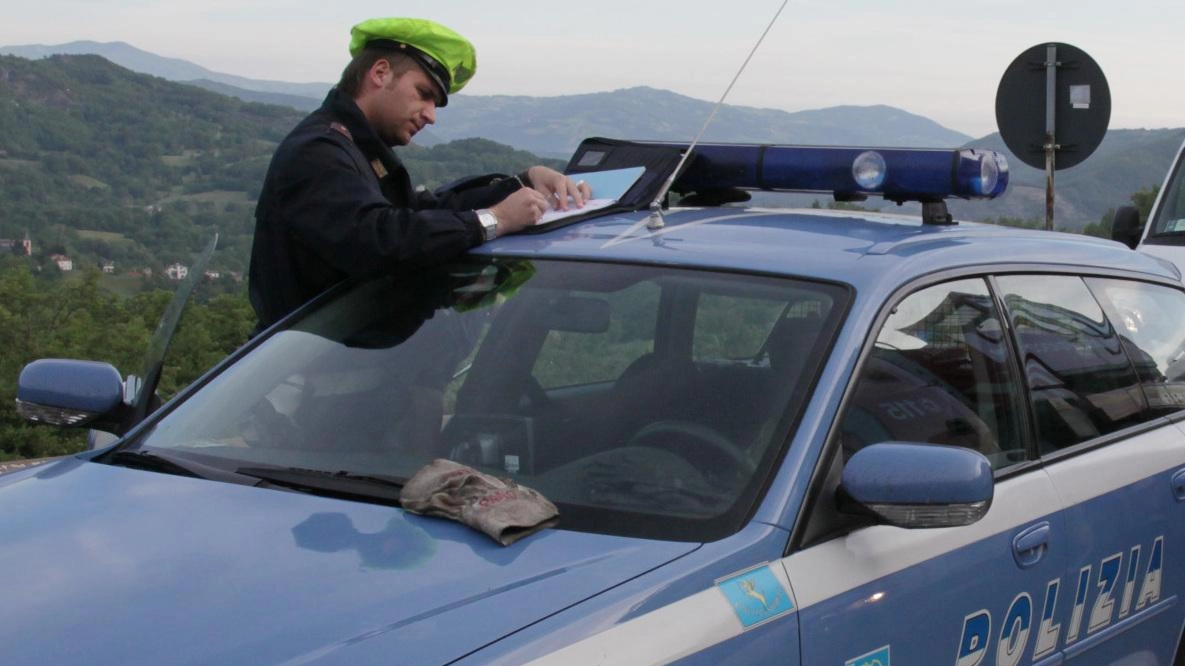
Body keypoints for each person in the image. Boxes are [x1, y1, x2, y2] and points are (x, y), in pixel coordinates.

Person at [248, 17, 590, 331]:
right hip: (311, 378)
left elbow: (419, 211)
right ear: (380, 73)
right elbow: (380, 239)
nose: (430, 116)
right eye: (424, 94)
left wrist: (523, 182)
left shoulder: (358, 149)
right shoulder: (319, 151)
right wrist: (495, 219)